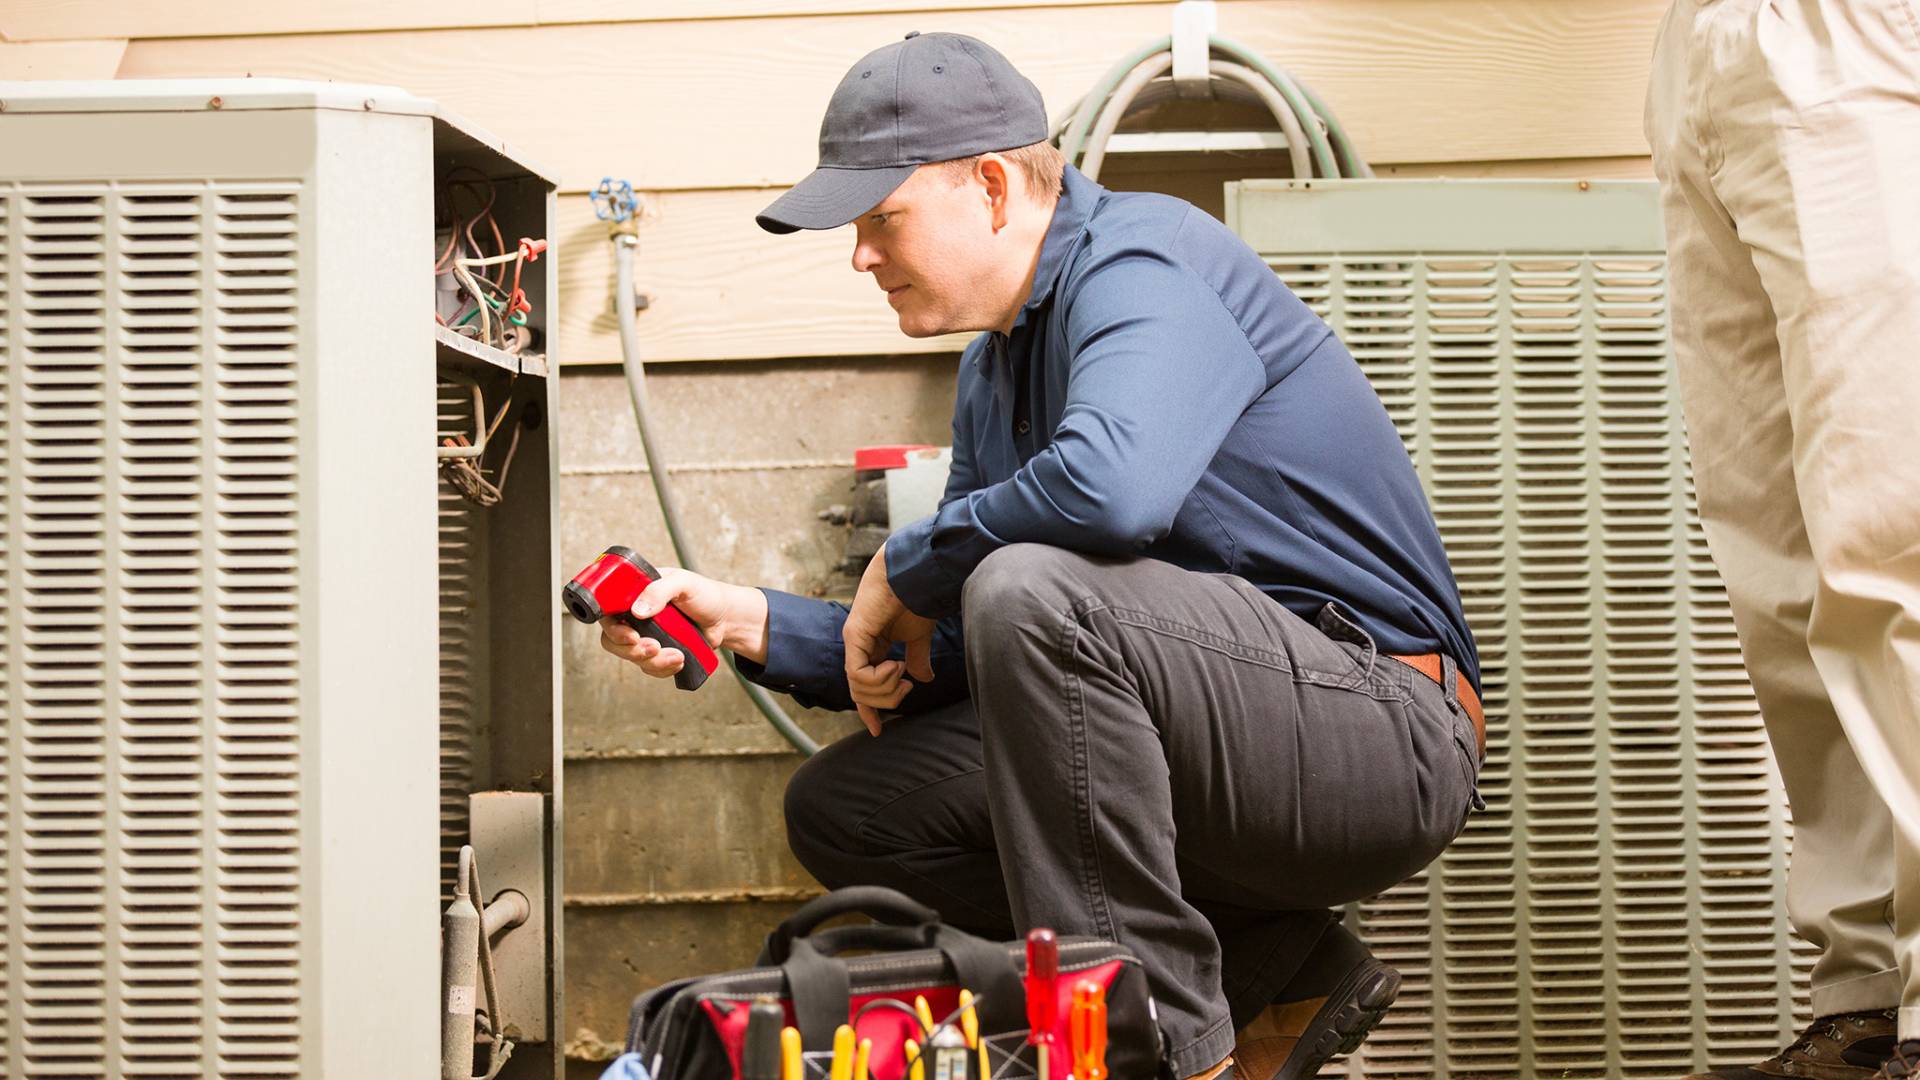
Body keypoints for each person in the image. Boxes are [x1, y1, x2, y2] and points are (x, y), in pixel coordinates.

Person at [601, 32, 1483, 1080]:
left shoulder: (1147, 262)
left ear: (988, 188)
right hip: (1210, 741)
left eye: (882, 218)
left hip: (1379, 731)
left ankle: (1140, 1051)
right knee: (853, 810)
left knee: (1029, 584)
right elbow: (992, 650)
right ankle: (1278, 972)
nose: (859, 255)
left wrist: (906, 562)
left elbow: (1109, 496)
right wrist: (757, 621)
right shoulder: (994, 365)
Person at [1644, 2, 1920, 1077]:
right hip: (1696, 49)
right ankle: (1864, 995)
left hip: (1849, 30)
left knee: (1886, 539)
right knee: (1781, 570)